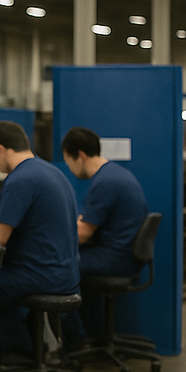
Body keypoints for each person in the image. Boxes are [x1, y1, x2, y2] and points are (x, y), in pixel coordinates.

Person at [0, 121, 79, 359]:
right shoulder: (51, 171)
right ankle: (27, 349)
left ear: (1, 149)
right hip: (66, 273)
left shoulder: (20, 179)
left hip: (40, 276)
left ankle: (4, 359)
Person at [60, 126, 149, 347]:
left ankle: (76, 342)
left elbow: (82, 235)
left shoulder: (105, 182)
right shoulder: (117, 175)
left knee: (59, 268)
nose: (69, 168)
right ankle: (83, 336)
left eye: (68, 161)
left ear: (80, 156)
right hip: (124, 255)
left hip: (113, 259)